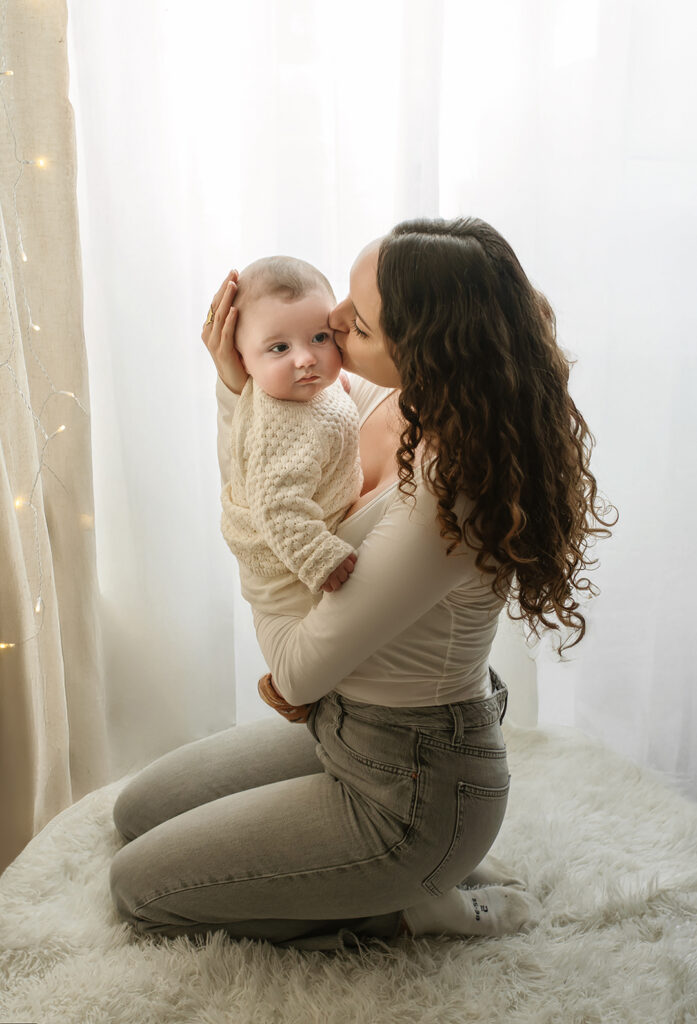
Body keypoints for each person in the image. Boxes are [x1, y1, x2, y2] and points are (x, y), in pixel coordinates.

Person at [109, 217, 617, 950]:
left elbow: (296, 666)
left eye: (361, 322)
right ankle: (373, 874)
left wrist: (256, 547)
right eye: (345, 298)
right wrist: (238, 386)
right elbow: (270, 469)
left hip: (411, 785)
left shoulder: (455, 486)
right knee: (139, 811)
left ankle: (413, 903)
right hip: (340, 724)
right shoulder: (379, 399)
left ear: (425, 352)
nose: (332, 323)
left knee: (140, 891)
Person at [219, 255, 362, 614]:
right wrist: (319, 558)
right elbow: (278, 508)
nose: (306, 359)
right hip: (284, 556)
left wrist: (336, 388)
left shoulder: (308, 387)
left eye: (319, 338)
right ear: (243, 361)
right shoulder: (282, 430)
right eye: (280, 348)